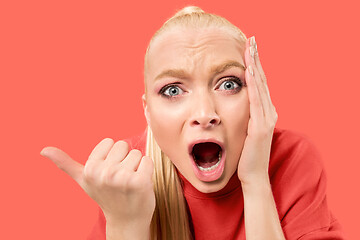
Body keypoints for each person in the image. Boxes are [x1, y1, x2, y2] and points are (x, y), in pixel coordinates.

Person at [40, 6, 346, 240]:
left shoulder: (292, 159)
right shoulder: (126, 178)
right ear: (147, 112)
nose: (204, 112)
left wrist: (255, 180)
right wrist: (126, 223)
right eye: (173, 90)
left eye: (228, 84)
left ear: (258, 94)